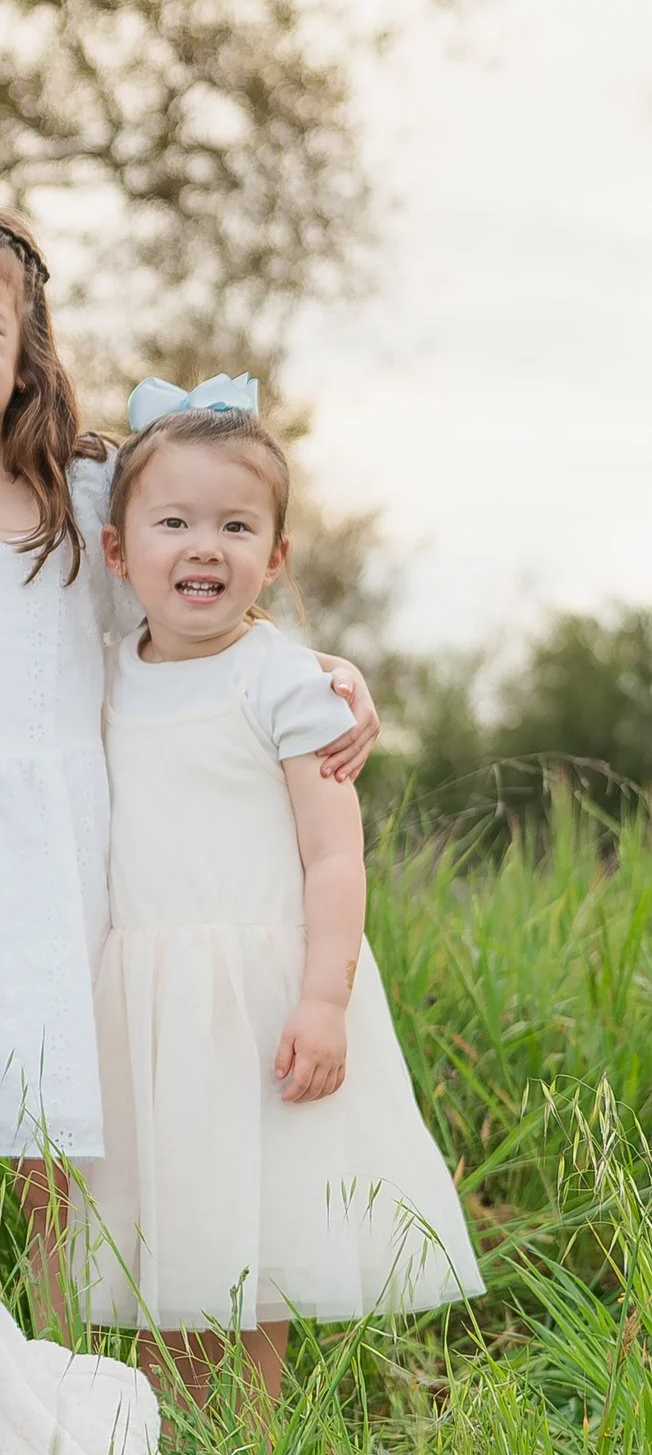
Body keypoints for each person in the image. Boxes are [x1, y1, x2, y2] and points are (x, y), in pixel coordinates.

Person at [0, 205, 378, 1314]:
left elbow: (197, 596)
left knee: (62, 1167)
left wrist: (323, 664)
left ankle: (64, 1397)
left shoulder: (82, 494)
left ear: (25, 352)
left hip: (58, 861)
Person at [72, 383, 482, 1398]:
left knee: (250, 1258)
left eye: (235, 526)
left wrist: (322, 997)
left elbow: (332, 856)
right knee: (154, 1257)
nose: (202, 547)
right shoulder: (96, 674)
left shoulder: (287, 681)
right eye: (172, 523)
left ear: (276, 557)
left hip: (258, 1002)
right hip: (140, 1010)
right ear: (117, 551)